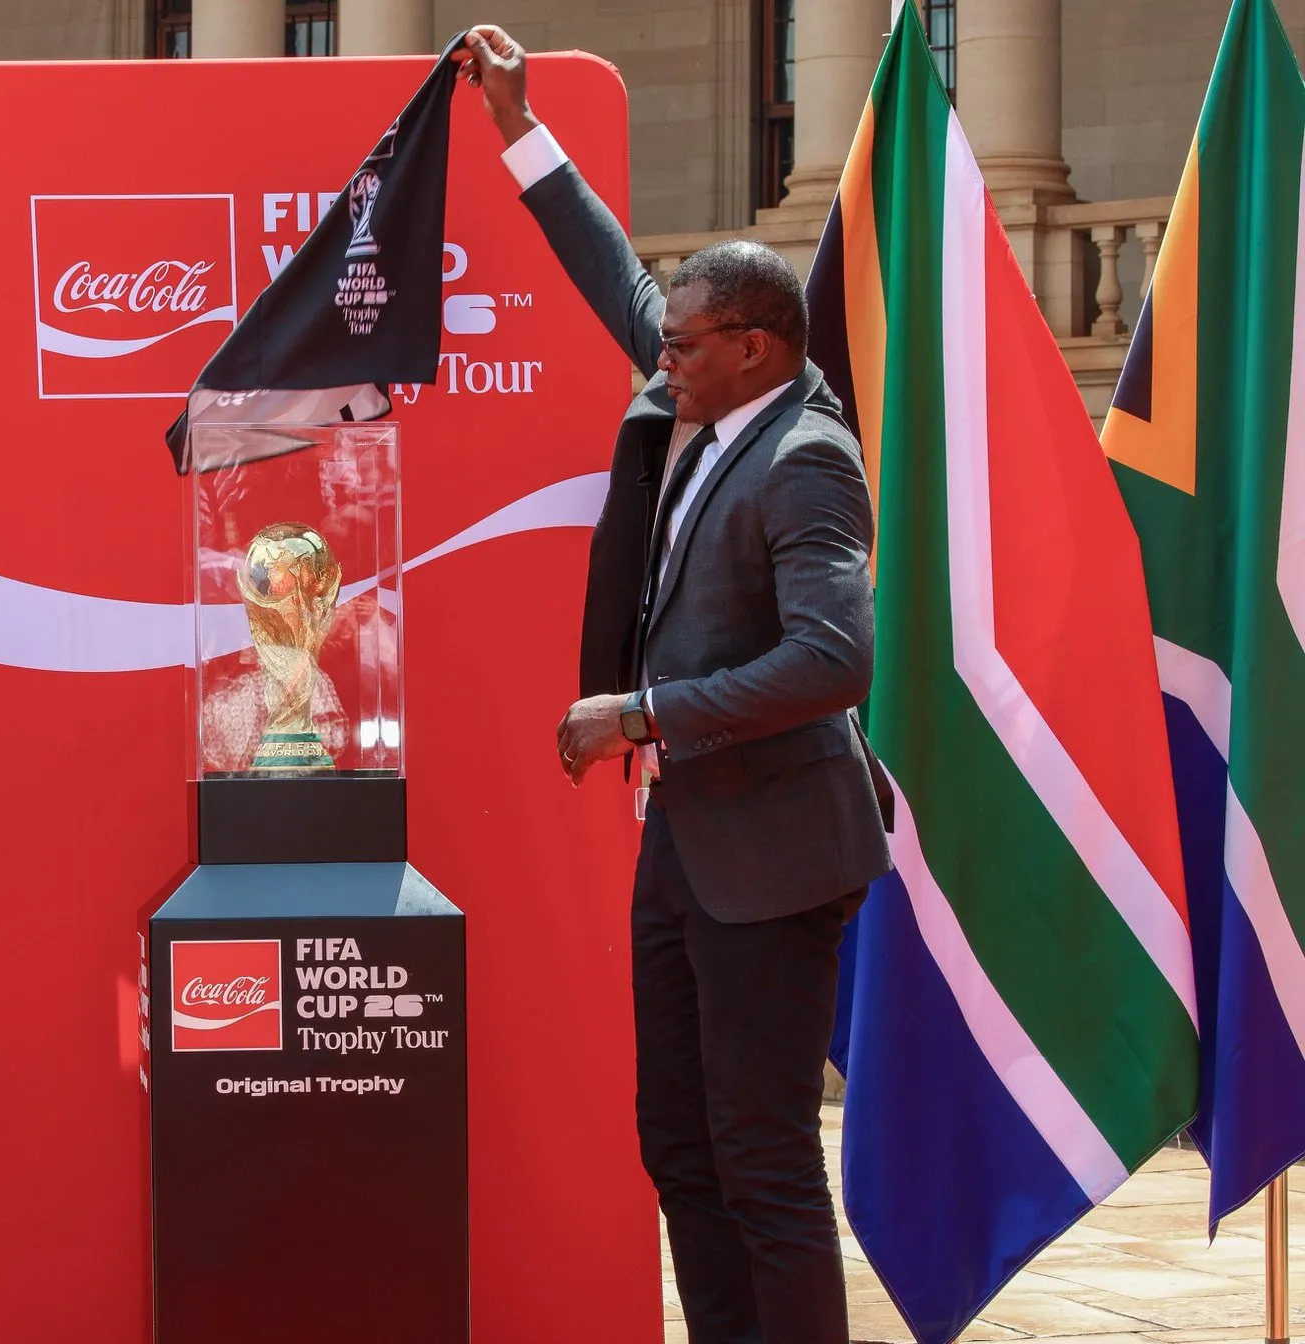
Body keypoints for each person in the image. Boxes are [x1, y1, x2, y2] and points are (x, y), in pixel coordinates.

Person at [459, 26, 893, 1344]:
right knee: (680, 1146)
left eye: (687, 344)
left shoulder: (806, 460)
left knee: (762, 1159)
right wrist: (518, 128)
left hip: (772, 847)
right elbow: (616, 275)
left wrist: (640, 714)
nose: (660, 358)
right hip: (690, 841)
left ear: (755, 347)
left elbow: (834, 659)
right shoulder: (700, 400)